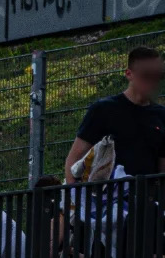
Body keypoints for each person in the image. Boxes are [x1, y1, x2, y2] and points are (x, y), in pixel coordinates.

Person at [65, 46, 165, 181]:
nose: (153, 82)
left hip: (147, 197)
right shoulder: (104, 110)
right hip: (106, 197)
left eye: (158, 76)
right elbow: (74, 159)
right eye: (146, 75)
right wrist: (75, 199)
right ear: (129, 74)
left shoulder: (161, 115)